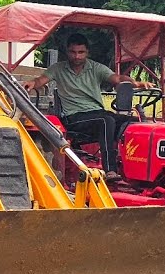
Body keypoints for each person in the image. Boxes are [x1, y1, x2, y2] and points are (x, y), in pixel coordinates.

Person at [23, 33, 153, 180]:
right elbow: (41, 80)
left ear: (87, 52)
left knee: (134, 123)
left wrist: (134, 83)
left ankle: (136, 171)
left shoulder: (96, 68)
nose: (77, 56)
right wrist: (33, 83)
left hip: (97, 113)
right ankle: (110, 170)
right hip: (73, 118)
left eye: (81, 52)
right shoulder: (58, 69)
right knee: (106, 120)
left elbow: (117, 78)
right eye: (73, 52)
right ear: (67, 52)